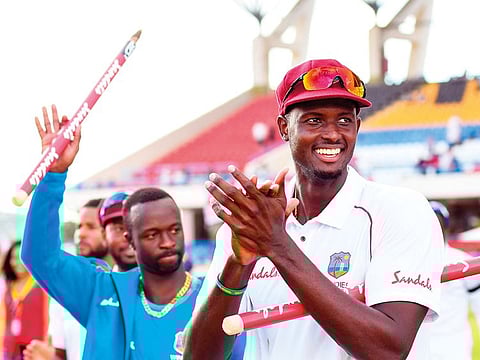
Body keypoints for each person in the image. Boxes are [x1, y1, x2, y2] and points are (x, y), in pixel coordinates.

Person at [184, 59, 445, 359]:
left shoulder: (402, 210)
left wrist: (276, 244)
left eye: (344, 121)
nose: (332, 134)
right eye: (314, 120)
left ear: (358, 127)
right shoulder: (250, 225)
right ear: (284, 128)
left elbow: (387, 349)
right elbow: (198, 357)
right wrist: (238, 264)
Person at [20, 104, 202, 359]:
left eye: (175, 230)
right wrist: (53, 175)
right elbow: (40, 257)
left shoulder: (209, 299)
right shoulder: (100, 289)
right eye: (152, 234)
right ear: (132, 240)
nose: (167, 242)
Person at [428, 201, 480, 360]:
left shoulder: (463, 261)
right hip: (418, 350)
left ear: (446, 226)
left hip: (454, 349)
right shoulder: (406, 262)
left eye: (438, 221)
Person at [0, 240, 49, 359]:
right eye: (13, 258)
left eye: (21, 258)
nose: (17, 263)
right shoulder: (7, 285)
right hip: (10, 349)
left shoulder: (41, 284)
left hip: (33, 349)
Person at [98, 191, 137, 272]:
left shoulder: (167, 282)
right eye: (119, 229)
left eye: (134, 227)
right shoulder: (97, 283)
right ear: (104, 235)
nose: (128, 236)